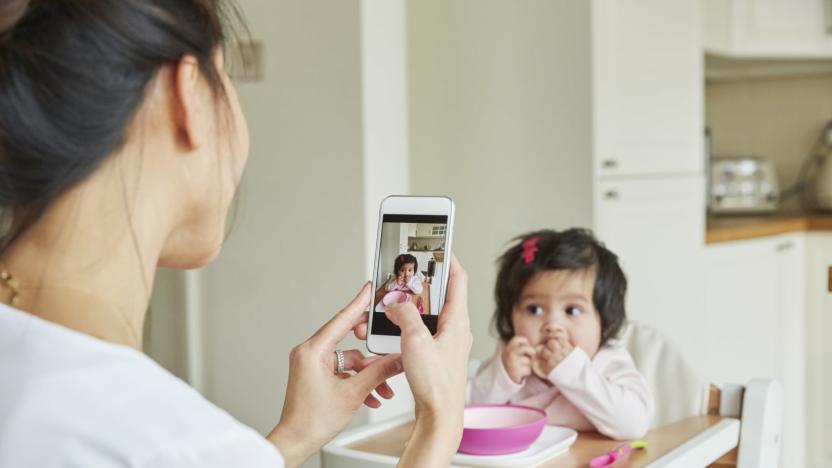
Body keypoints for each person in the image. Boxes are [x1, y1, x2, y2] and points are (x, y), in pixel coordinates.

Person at [0, 1, 472, 467]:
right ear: (188, 97)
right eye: (230, 81)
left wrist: (291, 439)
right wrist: (439, 421)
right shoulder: (169, 443)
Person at [467, 229, 653, 440]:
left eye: (572, 310)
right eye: (534, 309)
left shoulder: (607, 361)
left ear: (605, 322)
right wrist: (502, 378)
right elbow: (462, 416)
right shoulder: (509, 361)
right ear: (511, 316)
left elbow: (634, 424)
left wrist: (571, 371)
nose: (553, 325)